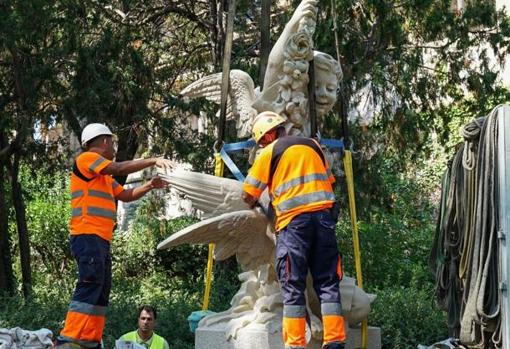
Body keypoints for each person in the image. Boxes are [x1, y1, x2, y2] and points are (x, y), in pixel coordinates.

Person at [56, 123, 171, 349]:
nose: (114, 147)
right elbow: (118, 168)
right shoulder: (87, 159)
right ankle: (68, 338)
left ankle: (89, 338)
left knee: (101, 286)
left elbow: (126, 194)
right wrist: (152, 160)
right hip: (87, 234)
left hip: (99, 238)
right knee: (90, 283)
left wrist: (150, 185)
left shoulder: (103, 177)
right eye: (113, 142)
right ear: (105, 141)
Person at [242, 112, 345, 349]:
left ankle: (296, 344)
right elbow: (329, 181)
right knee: (328, 280)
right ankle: (335, 341)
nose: (262, 145)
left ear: (268, 135)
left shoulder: (269, 153)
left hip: (294, 224)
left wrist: (263, 198)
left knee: (292, 282)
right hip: (324, 220)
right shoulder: (314, 146)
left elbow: (248, 194)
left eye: (261, 141)